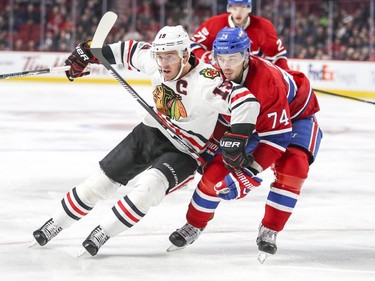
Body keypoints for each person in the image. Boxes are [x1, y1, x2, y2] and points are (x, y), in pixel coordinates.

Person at [31, 25, 262, 257]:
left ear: (185, 54)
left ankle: (103, 232)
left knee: (146, 191)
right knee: (98, 184)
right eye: (160, 56)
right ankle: (55, 224)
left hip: (185, 151)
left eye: (169, 56)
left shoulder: (206, 80)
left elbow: (246, 101)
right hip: (150, 133)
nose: (163, 63)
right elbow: (128, 50)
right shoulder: (155, 61)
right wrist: (89, 52)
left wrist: (237, 137)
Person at [168, 27, 322, 263]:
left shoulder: (268, 82)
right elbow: (216, 113)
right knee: (214, 173)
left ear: (247, 55)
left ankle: (270, 228)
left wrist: (248, 173)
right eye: (221, 58)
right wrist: (205, 150)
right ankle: (193, 224)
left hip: (294, 116)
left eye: (234, 58)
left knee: (294, 167)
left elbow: (275, 138)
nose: (226, 65)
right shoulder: (210, 71)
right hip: (247, 120)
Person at [191, 0, 289, 69]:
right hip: (219, 76)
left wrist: (285, 77)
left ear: (249, 8)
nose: (238, 12)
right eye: (235, 7)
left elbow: (278, 56)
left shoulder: (263, 26)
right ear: (229, 8)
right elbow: (192, 45)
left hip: (250, 77)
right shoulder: (213, 24)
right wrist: (208, 58)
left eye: (242, 7)